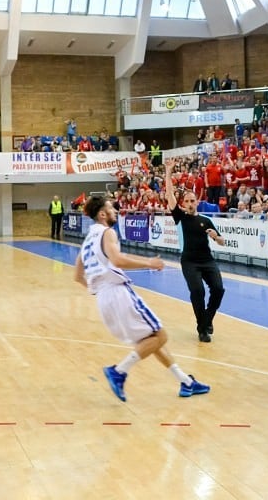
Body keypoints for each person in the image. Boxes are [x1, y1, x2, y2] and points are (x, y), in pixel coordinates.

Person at [74, 196, 210, 402]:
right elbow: (117, 260)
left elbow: (77, 276)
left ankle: (185, 381)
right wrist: (149, 262)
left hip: (103, 298)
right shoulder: (107, 232)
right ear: (102, 214)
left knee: (150, 340)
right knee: (161, 336)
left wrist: (98, 290)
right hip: (117, 292)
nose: (115, 210)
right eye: (111, 208)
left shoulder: (88, 239)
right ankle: (119, 371)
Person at [164, 158, 226, 343]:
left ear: (197, 202)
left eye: (193, 201)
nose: (190, 203)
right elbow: (169, 195)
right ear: (183, 203)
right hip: (189, 261)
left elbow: (222, 241)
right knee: (197, 291)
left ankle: (207, 319)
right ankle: (202, 328)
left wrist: (216, 236)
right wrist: (168, 172)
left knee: (219, 289)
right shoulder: (180, 217)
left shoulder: (206, 220)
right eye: (187, 201)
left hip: (207, 260)